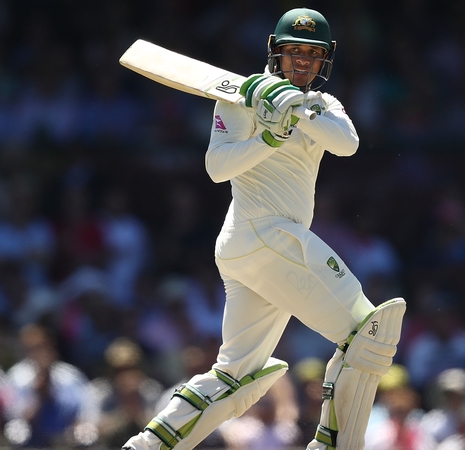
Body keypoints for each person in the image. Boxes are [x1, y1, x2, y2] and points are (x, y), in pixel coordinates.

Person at [122, 7, 406, 450]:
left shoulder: (324, 104)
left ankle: (147, 446)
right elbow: (217, 168)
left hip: (260, 247)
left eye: (311, 56)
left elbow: (347, 144)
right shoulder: (237, 98)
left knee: (236, 375)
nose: (301, 63)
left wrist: (297, 112)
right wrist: (267, 137)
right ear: (275, 53)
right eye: (293, 53)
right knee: (368, 333)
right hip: (262, 233)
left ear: (324, 61)